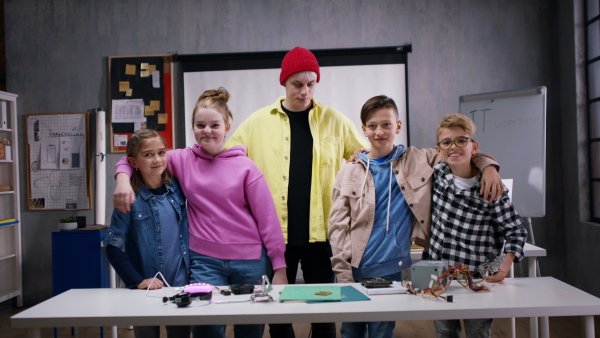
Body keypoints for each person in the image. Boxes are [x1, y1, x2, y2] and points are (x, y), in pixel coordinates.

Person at [113, 88, 287, 338]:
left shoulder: (246, 167)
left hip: (250, 262)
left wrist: (279, 268)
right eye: (200, 124)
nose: (207, 130)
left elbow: (268, 220)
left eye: (214, 125)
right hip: (204, 262)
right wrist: (121, 182)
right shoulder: (182, 159)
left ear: (227, 126)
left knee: (249, 331)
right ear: (193, 127)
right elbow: (134, 158)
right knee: (206, 330)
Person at [329, 96, 504, 338]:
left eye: (386, 124)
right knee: (350, 333)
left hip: (392, 270)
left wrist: (489, 166)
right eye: (372, 126)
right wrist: (343, 273)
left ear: (398, 126)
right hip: (354, 268)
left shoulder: (419, 159)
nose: (379, 131)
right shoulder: (349, 169)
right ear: (364, 129)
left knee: (382, 333)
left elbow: (458, 150)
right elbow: (337, 226)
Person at [224, 46, 369, 338]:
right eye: (297, 84)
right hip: (275, 238)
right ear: (284, 83)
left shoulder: (335, 120)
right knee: (277, 314)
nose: (304, 91)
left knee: (324, 313)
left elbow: (367, 156)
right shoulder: (257, 121)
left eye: (310, 84)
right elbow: (224, 160)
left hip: (324, 235)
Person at [429, 113, 528, 338]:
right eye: (447, 142)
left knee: (478, 333)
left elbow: (516, 231)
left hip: (475, 280)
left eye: (461, 140)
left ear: (474, 146)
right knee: (444, 332)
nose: (454, 146)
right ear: (438, 150)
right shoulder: (438, 173)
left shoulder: (491, 189)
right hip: (440, 278)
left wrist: (505, 264)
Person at [103, 129, 191, 338]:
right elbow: (112, 245)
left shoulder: (177, 188)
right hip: (146, 289)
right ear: (134, 162)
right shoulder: (129, 199)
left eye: (161, 152)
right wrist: (136, 280)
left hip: (180, 285)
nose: (157, 159)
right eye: (148, 154)